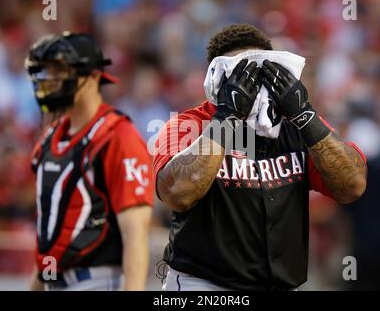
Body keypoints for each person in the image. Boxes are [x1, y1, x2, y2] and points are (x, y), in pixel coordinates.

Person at [153, 23, 367, 291]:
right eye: (241, 75)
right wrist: (228, 118)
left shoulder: (297, 124)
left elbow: (352, 186)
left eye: (261, 73)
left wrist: (305, 115)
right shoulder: (187, 125)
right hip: (205, 285)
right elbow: (179, 194)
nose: (253, 86)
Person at [25, 32, 153, 291]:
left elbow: (135, 234)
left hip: (98, 281)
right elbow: (54, 234)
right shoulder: (50, 140)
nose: (50, 80)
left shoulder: (117, 136)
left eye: (60, 70)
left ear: (93, 76)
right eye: (47, 72)